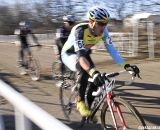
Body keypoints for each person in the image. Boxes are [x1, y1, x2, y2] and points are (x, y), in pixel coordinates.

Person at [61, 7, 140, 117]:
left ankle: (88, 111)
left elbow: (112, 50)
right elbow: (80, 56)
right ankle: (79, 101)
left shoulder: (104, 32)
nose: (104, 27)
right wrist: (93, 72)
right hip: (70, 54)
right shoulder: (79, 30)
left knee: (96, 81)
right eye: (101, 23)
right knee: (86, 71)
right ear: (92, 22)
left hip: (84, 54)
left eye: (106, 23)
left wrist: (126, 65)